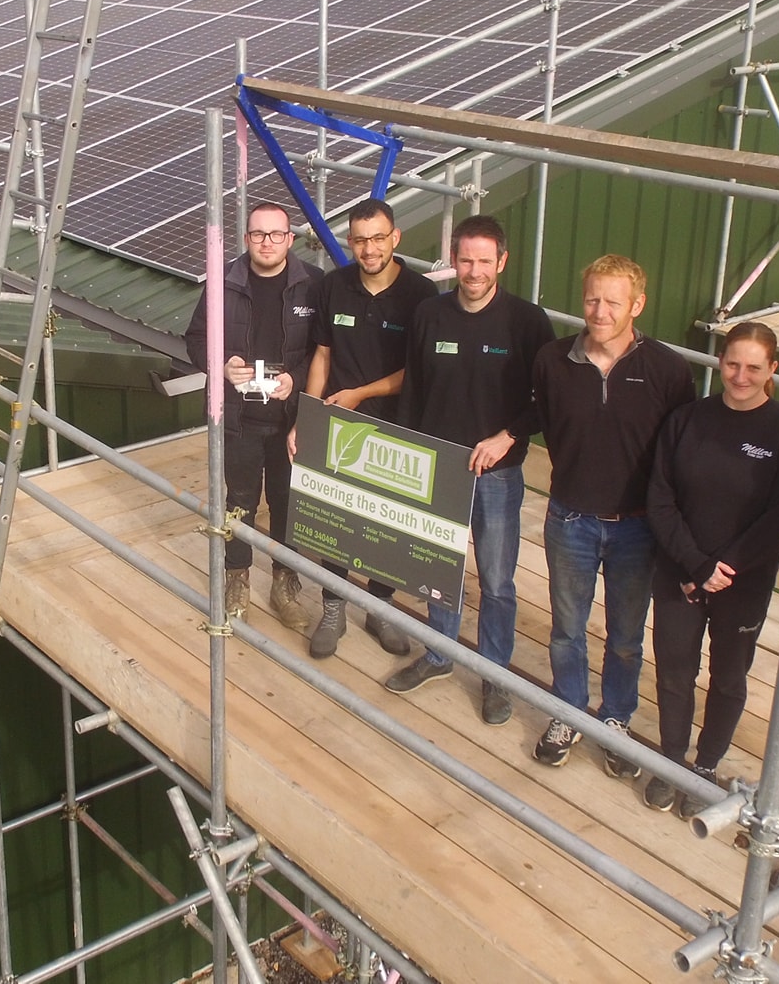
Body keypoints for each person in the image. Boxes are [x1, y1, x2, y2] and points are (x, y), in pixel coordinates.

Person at [383, 215, 555, 726]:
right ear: (453, 260)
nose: (474, 271)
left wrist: (508, 437)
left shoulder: (527, 322)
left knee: (497, 581)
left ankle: (495, 674)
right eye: (465, 260)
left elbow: (546, 400)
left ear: (501, 261)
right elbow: (413, 389)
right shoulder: (429, 314)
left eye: (484, 261)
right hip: (439, 468)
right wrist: (410, 453)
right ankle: (439, 655)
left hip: (497, 476)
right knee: (438, 568)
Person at [530, 254, 695, 771]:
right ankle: (570, 710)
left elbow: (680, 452)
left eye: (613, 302)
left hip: (638, 526)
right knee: (566, 628)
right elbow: (544, 422)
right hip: (570, 518)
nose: (599, 312)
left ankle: (616, 717)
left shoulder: (669, 370)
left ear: (637, 305)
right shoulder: (553, 360)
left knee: (626, 636)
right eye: (592, 299)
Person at [641, 322, 779, 816]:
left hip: (743, 581)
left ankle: (705, 766)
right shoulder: (687, 420)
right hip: (680, 571)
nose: (740, 375)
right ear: (720, 362)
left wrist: (725, 568)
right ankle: (672, 760)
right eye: (732, 363)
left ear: (772, 369)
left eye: (753, 367)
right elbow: (660, 498)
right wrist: (694, 565)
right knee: (674, 669)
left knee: (729, 676)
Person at [295, 198, 437, 659]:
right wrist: (309, 416)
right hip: (340, 425)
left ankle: (381, 605)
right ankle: (333, 607)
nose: (369, 248)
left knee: (386, 522)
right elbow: (322, 355)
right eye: (360, 240)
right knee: (338, 518)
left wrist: (362, 392)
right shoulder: (333, 287)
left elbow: (417, 371)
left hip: (397, 428)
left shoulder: (421, 296)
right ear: (350, 242)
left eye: (378, 238)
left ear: (395, 238)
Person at [184, 201, 322, 630]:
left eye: (276, 234)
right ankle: (236, 577)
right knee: (239, 502)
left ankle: (285, 583)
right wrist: (221, 364)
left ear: (290, 240)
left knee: (287, 504)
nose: (267, 242)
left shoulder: (313, 285)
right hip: (239, 416)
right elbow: (195, 339)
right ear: (246, 239)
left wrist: (296, 381)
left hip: (289, 420)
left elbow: (323, 350)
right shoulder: (222, 282)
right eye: (258, 234)